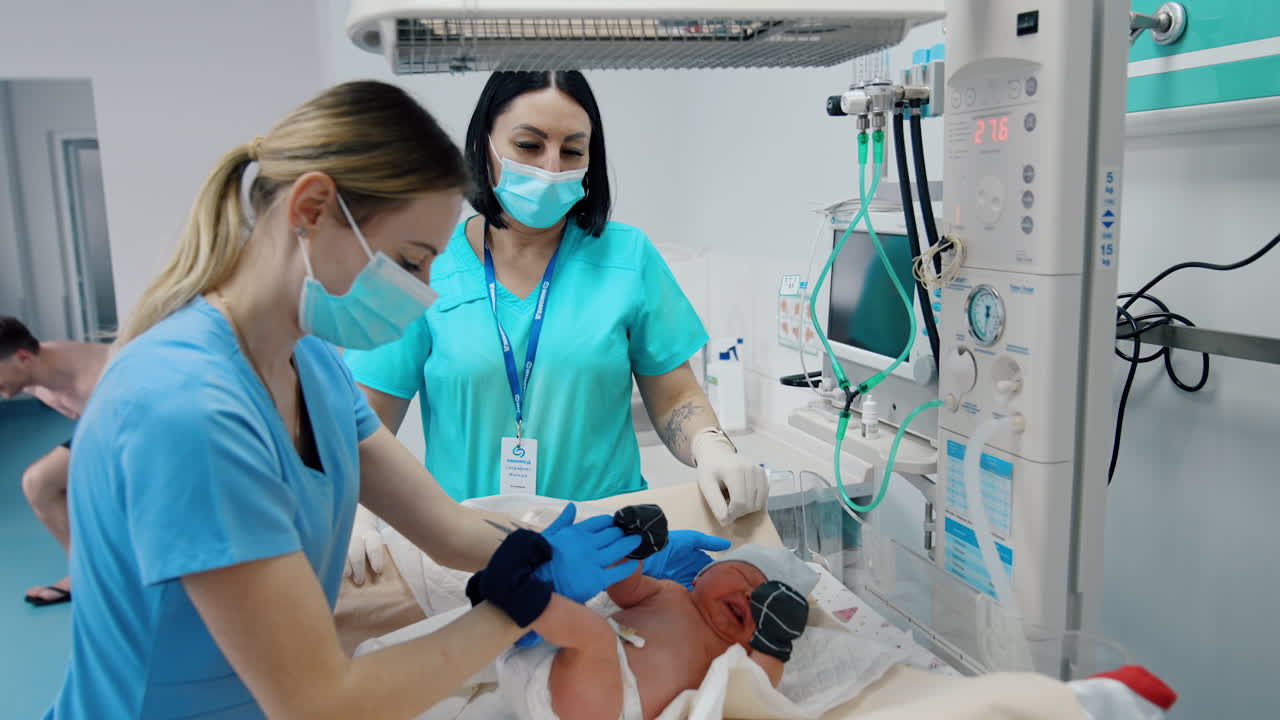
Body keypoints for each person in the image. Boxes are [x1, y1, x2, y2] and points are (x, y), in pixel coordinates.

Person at [45, 80, 651, 719]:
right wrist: (524, 604)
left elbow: (445, 531)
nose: (424, 290)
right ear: (310, 210)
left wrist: (583, 551)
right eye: (410, 261)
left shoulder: (309, 365)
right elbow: (319, 701)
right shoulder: (189, 407)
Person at [343, 70, 768, 583]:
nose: (550, 168)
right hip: (468, 557)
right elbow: (365, 423)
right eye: (528, 144)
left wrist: (711, 446)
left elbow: (675, 395)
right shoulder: (421, 262)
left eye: (572, 150)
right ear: (484, 145)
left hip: (611, 551)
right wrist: (355, 507)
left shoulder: (628, 256)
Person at [468, 509, 815, 720]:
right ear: (700, 575)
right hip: (553, 666)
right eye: (744, 576)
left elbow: (756, 686)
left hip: (609, 704)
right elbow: (625, 591)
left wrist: (773, 645)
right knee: (584, 625)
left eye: (766, 606)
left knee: (595, 634)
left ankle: (516, 595)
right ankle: (505, 602)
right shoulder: (672, 592)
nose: (751, 596)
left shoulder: (733, 652)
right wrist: (635, 547)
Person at [0, 315, 110, 606]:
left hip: (144, 434)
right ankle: (83, 575)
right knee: (39, 482)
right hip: (104, 430)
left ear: (22, 357)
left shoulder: (96, 377)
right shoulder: (33, 373)